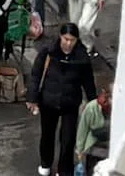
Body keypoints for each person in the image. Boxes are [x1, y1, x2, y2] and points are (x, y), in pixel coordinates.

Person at [29, 24, 96, 176]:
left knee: (68, 139)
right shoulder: (48, 52)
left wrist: (93, 102)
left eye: (72, 40)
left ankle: (64, 170)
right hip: (48, 101)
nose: (68, 43)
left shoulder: (82, 57)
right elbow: (36, 74)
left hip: (70, 103)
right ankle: (46, 163)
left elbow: (88, 81)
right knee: (47, 135)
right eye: (66, 39)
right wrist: (32, 97)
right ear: (60, 37)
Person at [74, 82, 112, 176]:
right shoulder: (92, 107)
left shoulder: (119, 110)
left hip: (110, 151)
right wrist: (80, 149)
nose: (104, 102)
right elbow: (83, 128)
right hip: (94, 148)